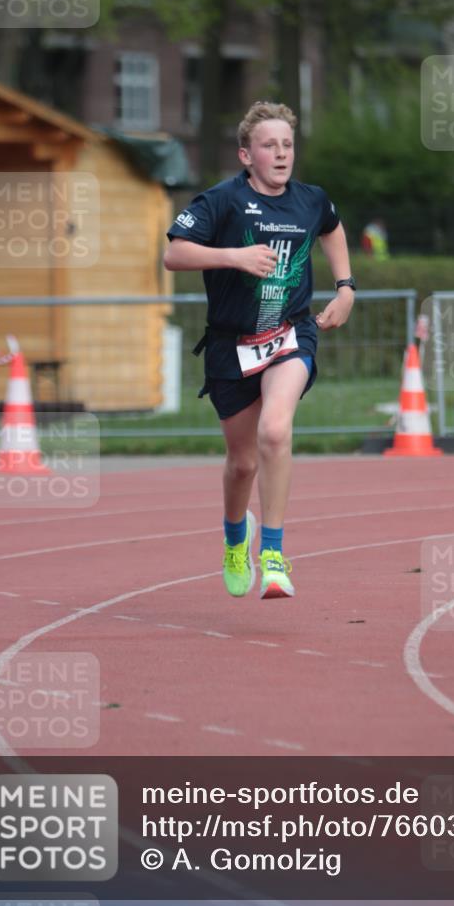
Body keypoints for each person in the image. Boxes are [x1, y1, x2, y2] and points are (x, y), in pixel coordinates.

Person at [164, 101, 355, 600]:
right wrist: (234, 256)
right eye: (270, 145)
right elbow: (174, 253)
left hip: (291, 334)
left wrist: (346, 288)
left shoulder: (311, 200)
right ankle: (235, 538)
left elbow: (332, 227)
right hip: (232, 347)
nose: (281, 153)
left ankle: (273, 554)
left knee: (276, 430)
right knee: (242, 463)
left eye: (288, 145)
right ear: (246, 155)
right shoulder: (220, 201)